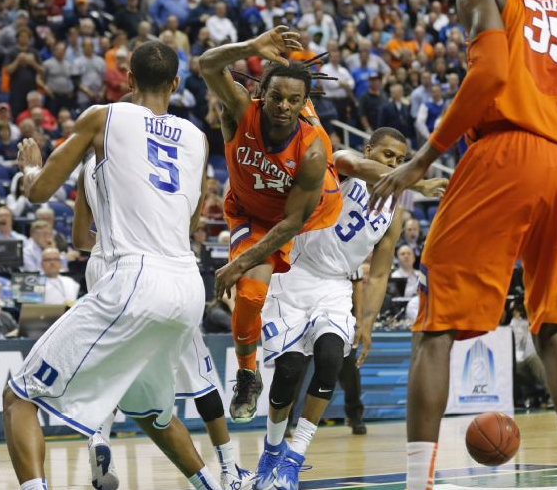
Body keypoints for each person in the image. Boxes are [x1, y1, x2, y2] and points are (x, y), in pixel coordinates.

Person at [368, 0, 557, 490]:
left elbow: (490, 75)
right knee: (555, 329)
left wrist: (422, 160)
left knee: (435, 328)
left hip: (504, 155)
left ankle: (418, 481)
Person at [2, 41, 223, 490]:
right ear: (177, 85)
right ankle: (215, 485)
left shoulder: (104, 117)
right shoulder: (199, 139)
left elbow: (40, 192)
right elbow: (194, 220)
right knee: (152, 414)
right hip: (187, 287)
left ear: (129, 80)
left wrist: (30, 168)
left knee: (18, 396)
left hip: (135, 278)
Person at [254, 127, 446, 490]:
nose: (395, 164)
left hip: (336, 285)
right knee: (290, 369)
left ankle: (294, 459)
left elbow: (379, 274)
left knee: (329, 360)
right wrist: (416, 182)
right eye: (388, 155)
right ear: (370, 148)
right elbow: (352, 162)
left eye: (401, 160)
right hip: (295, 272)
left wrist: (368, 322)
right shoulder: (343, 165)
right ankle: (272, 450)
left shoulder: (394, 212)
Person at [72, 153, 254, 490]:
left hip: (101, 265)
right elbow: (186, 220)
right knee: (201, 373)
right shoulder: (146, 146)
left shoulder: (87, 166)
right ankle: (229, 469)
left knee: (114, 366)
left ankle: (99, 437)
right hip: (155, 268)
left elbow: (80, 239)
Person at [200, 25, 344, 423]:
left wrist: (238, 262)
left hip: (300, 216)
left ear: (303, 104)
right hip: (250, 214)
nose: (283, 105)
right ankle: (248, 375)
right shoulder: (241, 109)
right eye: (277, 97)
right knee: (249, 297)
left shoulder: (313, 149)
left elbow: (292, 223)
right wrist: (248, 46)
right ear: (262, 95)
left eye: (294, 100)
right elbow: (206, 64)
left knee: (339, 172)